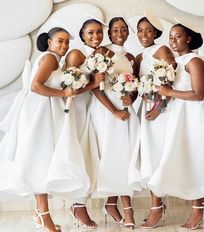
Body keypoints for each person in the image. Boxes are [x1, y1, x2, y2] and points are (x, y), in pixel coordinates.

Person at [0, 27, 90, 232]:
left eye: (67, 42)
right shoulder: (49, 59)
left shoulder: (54, 60)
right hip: (38, 114)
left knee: (41, 161)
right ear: (49, 43)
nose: (64, 46)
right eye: (60, 41)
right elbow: (36, 86)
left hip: (44, 113)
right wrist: (62, 93)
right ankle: (44, 216)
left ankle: (40, 214)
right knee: (39, 161)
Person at [149, 22, 204, 229]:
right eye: (171, 36)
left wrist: (168, 92)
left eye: (177, 36)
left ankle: (199, 209)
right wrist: (159, 106)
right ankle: (202, 206)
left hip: (198, 115)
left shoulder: (195, 61)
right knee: (187, 159)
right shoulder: (176, 63)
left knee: (196, 159)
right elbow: (171, 90)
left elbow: (198, 94)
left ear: (188, 39)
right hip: (181, 115)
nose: (173, 40)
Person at [89, 17, 140, 229]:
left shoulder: (130, 56)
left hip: (125, 110)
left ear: (128, 32)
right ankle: (128, 211)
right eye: (115, 29)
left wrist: (132, 99)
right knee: (113, 155)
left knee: (126, 156)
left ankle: (111, 204)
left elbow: (134, 87)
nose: (120, 32)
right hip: (106, 110)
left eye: (124, 29)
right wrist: (114, 111)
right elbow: (94, 87)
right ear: (109, 33)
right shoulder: (101, 52)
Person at [133, 13, 176, 229]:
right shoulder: (140, 57)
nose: (144, 34)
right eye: (140, 30)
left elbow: (172, 83)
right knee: (150, 157)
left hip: (161, 111)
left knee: (160, 156)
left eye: (149, 30)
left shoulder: (163, 51)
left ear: (156, 33)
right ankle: (157, 205)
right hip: (145, 110)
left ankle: (157, 207)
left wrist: (159, 108)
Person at [64, 18, 105, 229]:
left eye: (99, 32)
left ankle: (80, 204)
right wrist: (94, 84)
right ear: (82, 35)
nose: (96, 36)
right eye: (90, 33)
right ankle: (78, 206)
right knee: (79, 155)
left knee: (91, 155)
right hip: (76, 110)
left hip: (91, 108)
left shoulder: (99, 54)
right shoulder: (76, 54)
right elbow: (69, 89)